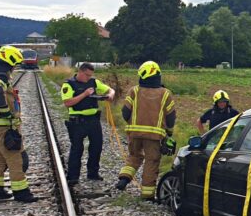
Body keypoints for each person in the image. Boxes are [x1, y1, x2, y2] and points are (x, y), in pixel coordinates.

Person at [0, 45, 37, 203]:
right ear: (9, 61)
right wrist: (5, 113)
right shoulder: (1, 77)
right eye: (14, 64)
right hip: (4, 126)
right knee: (16, 159)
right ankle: (21, 192)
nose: (14, 68)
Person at [116, 61, 176, 200]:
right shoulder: (165, 93)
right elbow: (171, 116)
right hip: (154, 136)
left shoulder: (134, 90)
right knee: (152, 161)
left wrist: (132, 125)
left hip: (134, 133)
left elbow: (125, 112)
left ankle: (124, 179)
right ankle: (147, 195)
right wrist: (169, 132)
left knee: (134, 156)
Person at [61, 62, 115, 185]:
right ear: (80, 72)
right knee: (77, 149)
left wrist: (110, 95)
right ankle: (73, 176)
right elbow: (68, 102)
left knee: (96, 147)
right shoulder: (68, 84)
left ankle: (93, 173)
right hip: (77, 121)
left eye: (90, 75)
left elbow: (110, 89)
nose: (88, 78)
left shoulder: (94, 82)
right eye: (87, 75)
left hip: (93, 120)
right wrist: (84, 94)